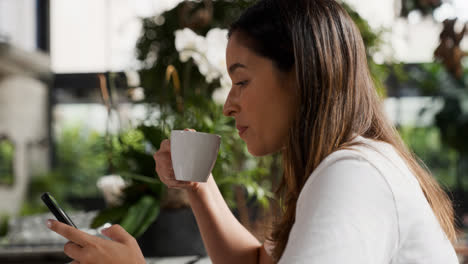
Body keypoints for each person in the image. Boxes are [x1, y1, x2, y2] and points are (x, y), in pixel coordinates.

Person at [47, 0, 459, 263]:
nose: (228, 105)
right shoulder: (354, 164)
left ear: (301, 75)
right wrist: (198, 185)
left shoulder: (353, 176)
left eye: (241, 81)